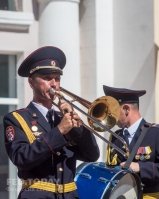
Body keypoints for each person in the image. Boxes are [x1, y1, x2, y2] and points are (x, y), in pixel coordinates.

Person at [3, 46, 100, 199]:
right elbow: (21, 158)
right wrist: (59, 131)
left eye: (57, 78)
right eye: (47, 78)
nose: (54, 84)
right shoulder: (16, 118)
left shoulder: (63, 118)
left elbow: (92, 155)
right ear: (31, 82)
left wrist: (78, 128)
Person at [104, 85, 159, 199]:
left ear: (126, 109)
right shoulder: (115, 137)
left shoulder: (157, 133)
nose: (111, 116)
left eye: (114, 111)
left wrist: (140, 167)